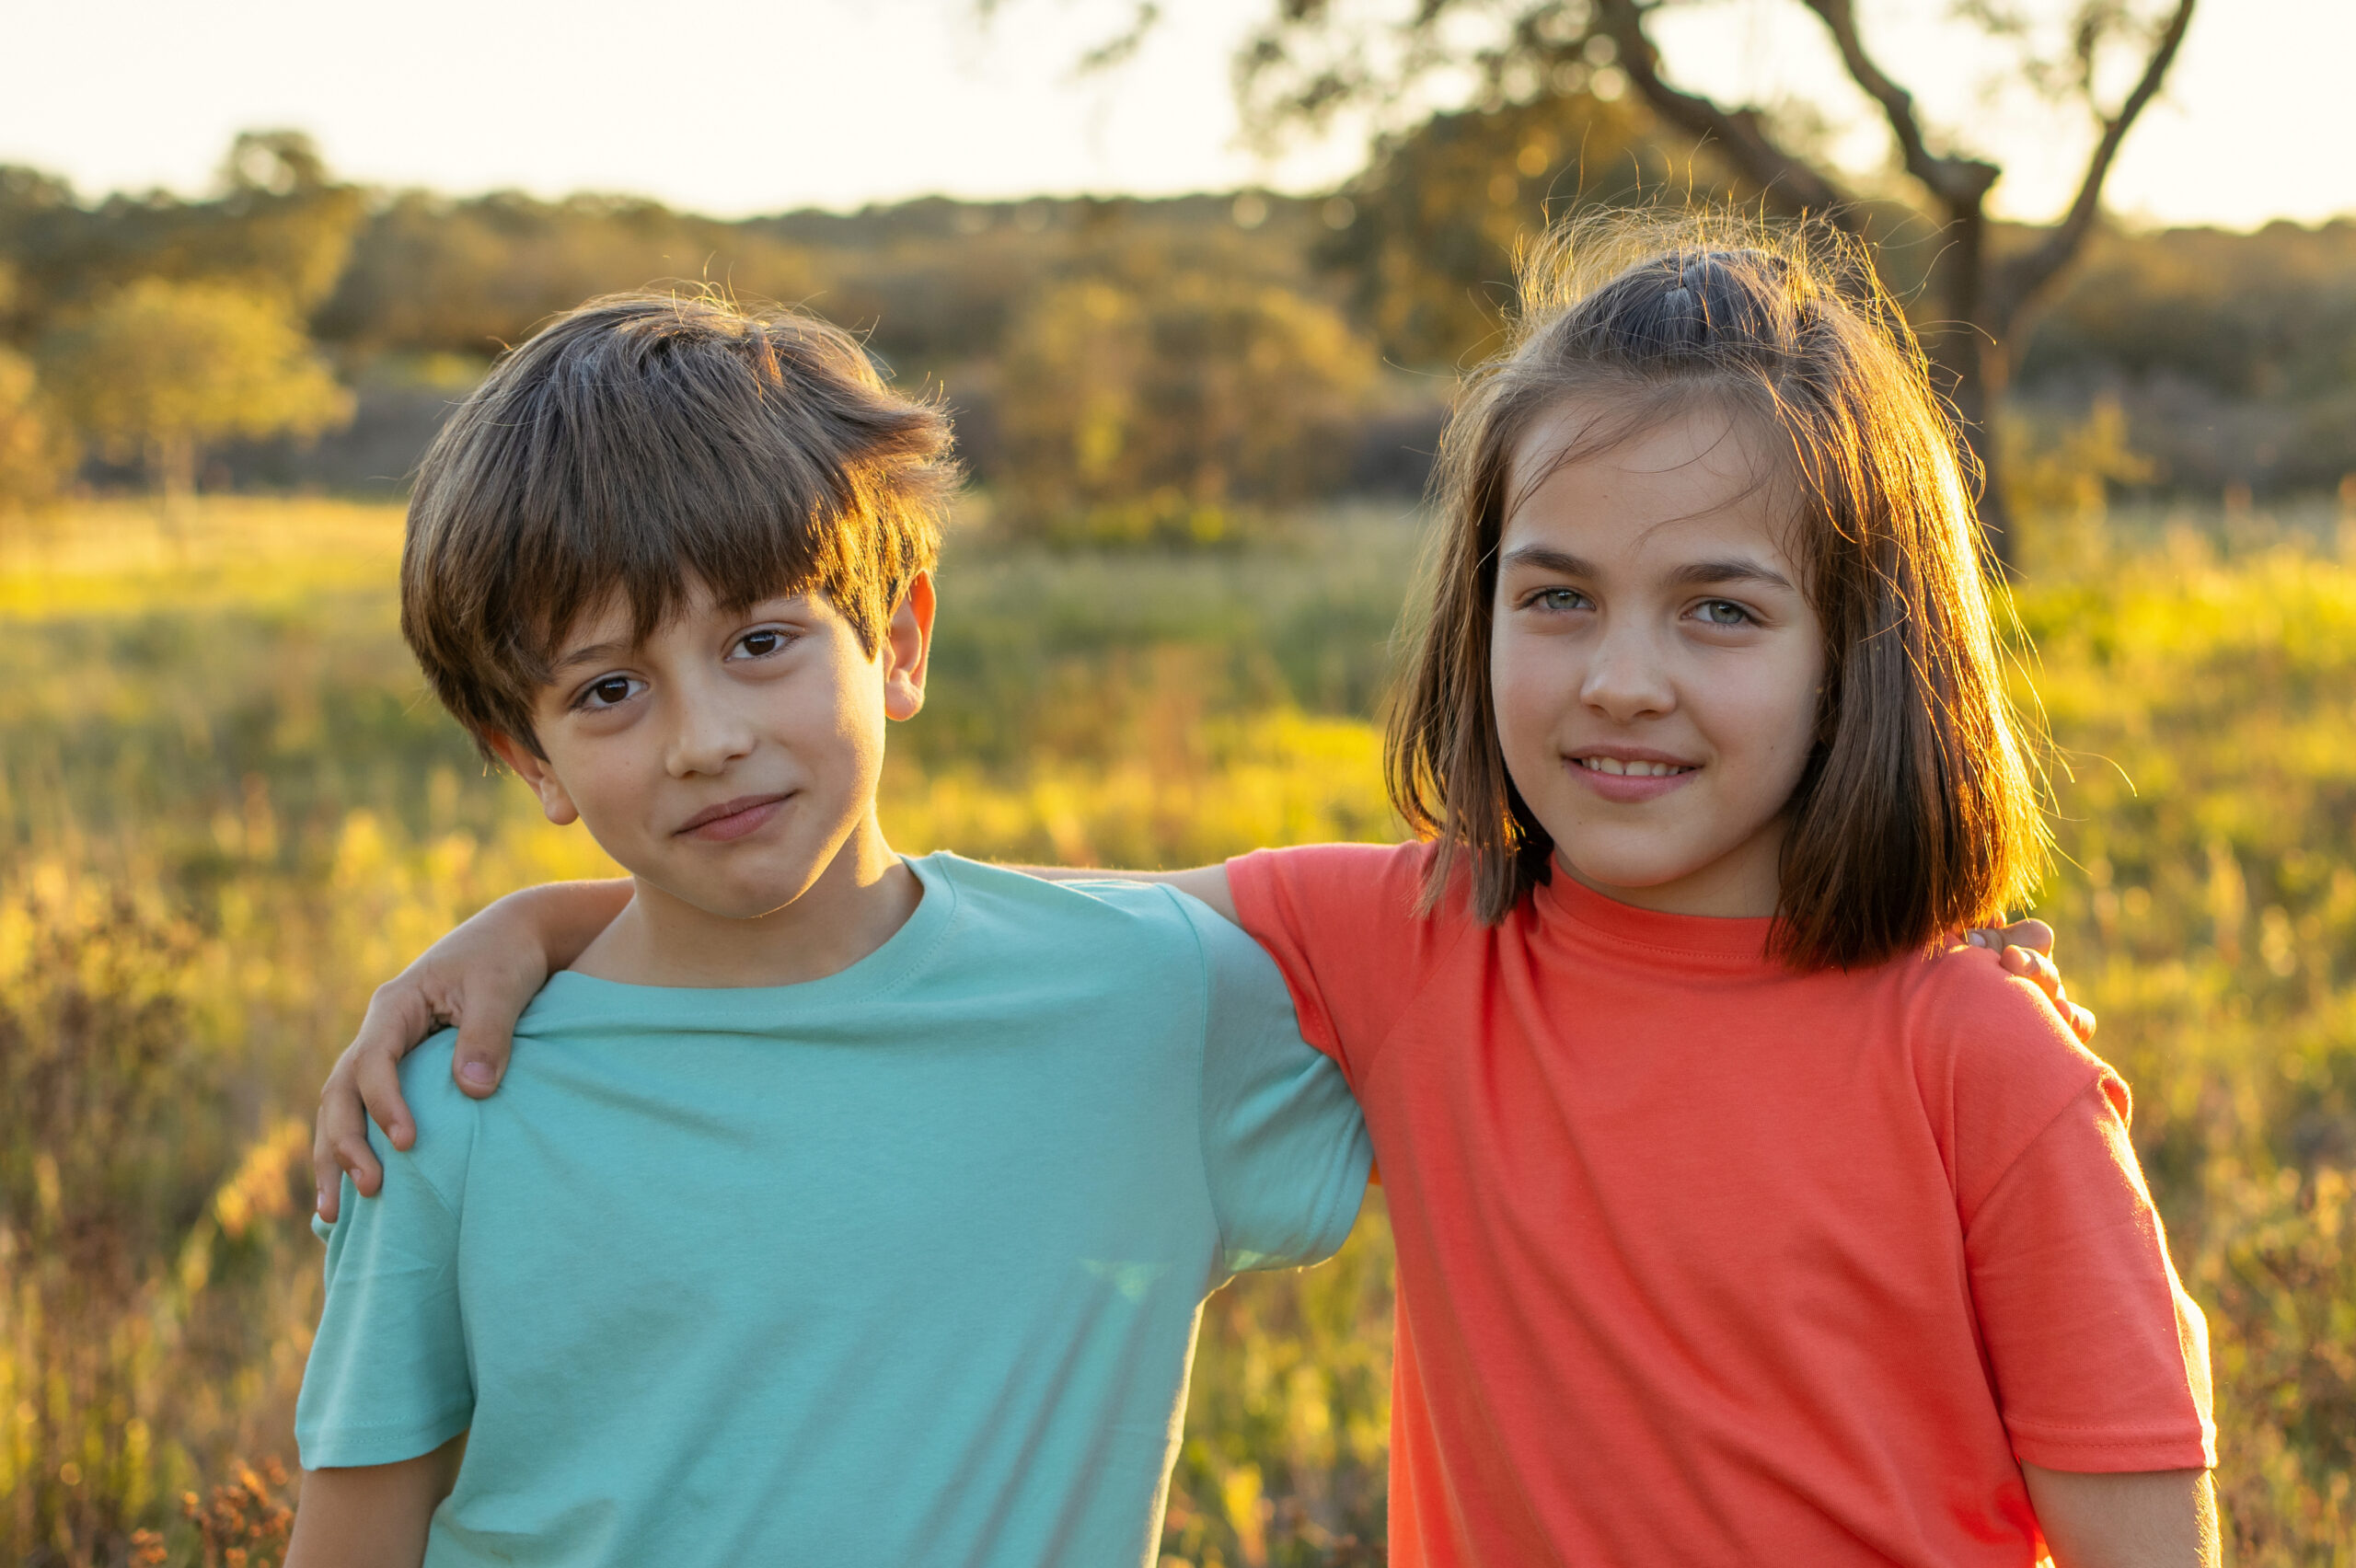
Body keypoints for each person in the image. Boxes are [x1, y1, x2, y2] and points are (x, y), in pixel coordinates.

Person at [311, 223, 2199, 1568]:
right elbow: (898, 938)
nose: (1620, 676)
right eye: (1553, 597)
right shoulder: (1407, 949)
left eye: (1718, 606)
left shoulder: (1975, 1057)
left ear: (1857, 640)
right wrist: (540, 929)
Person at [282, 292, 1371, 1568]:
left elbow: (1498, 965)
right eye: (611, 689)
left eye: (760, 640)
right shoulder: (453, 1102)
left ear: (899, 640)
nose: (708, 740)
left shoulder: (1157, 1010)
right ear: (528, 753)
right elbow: (354, 1539)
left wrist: (542, 911)